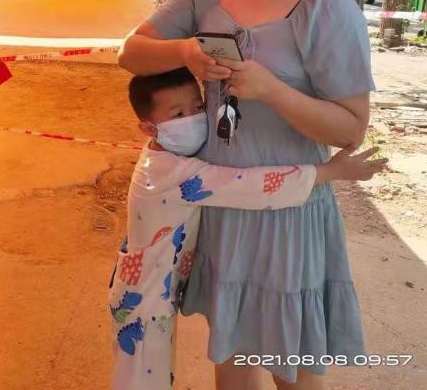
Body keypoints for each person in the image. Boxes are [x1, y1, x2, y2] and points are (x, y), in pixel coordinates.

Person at [118, 0, 376, 390]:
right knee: (231, 350)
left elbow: (349, 129)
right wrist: (186, 51)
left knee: (291, 363)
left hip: (288, 212)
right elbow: (132, 53)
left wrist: (273, 91)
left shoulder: (326, 9)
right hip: (223, 201)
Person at [110, 67, 384, 390]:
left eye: (198, 107)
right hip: (143, 303)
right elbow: (250, 186)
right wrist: (329, 172)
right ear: (148, 127)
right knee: (143, 381)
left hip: (150, 292)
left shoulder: (161, 155)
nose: (194, 118)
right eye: (178, 114)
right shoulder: (174, 173)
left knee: (153, 374)